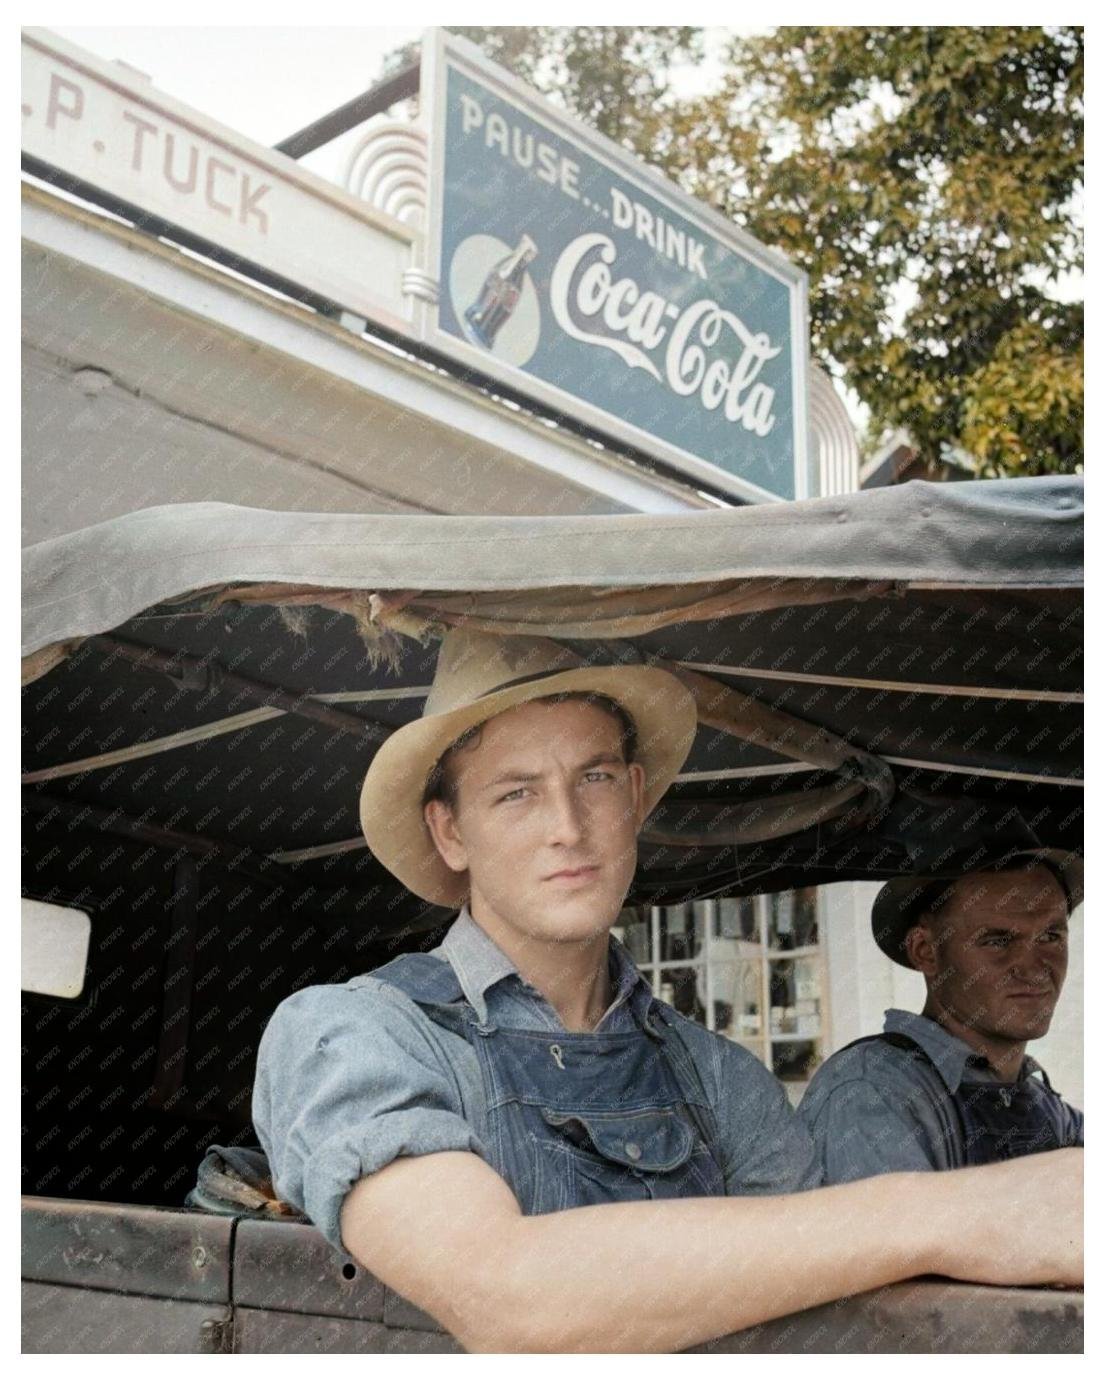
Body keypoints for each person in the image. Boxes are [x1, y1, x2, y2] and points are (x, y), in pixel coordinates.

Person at [252, 629, 1082, 1353]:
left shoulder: (720, 1080)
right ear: (449, 830)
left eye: (596, 780)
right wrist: (968, 1213)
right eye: (516, 793)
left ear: (637, 798)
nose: (567, 828)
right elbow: (505, 1295)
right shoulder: (352, 1033)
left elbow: (826, 1323)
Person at [799, 855, 1084, 1184]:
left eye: (1050, 937)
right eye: (997, 941)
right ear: (925, 951)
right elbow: (898, 1235)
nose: (1034, 969)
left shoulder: (1041, 1103)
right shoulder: (872, 1094)